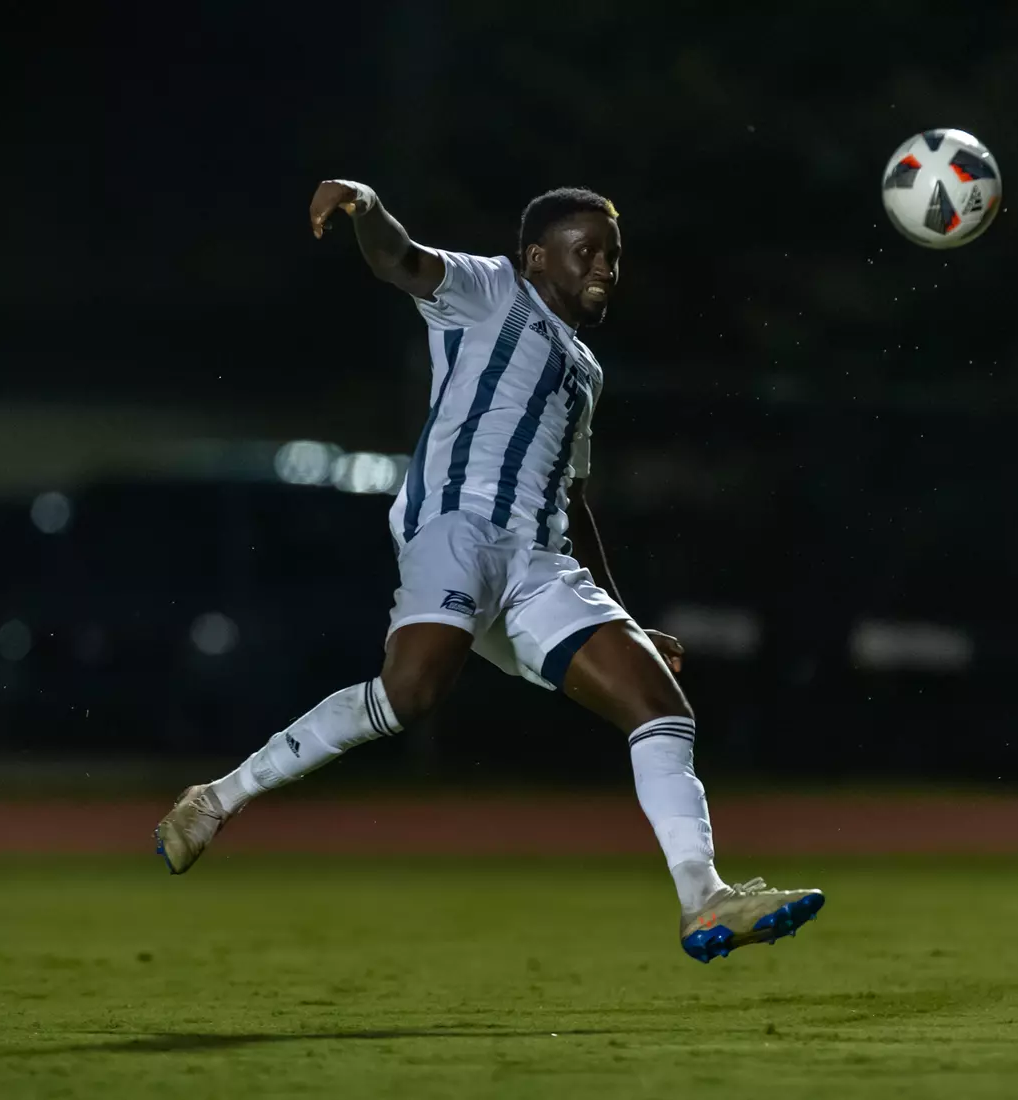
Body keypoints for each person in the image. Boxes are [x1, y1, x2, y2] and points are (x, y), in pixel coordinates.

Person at [155, 178, 824, 963]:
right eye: (585, 251)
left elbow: (573, 500)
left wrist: (625, 615)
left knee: (660, 707)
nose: (602, 266)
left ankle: (702, 898)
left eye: (611, 254)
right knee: (410, 695)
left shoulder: (586, 369)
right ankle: (215, 800)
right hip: (457, 527)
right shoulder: (491, 290)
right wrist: (366, 208)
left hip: (541, 564)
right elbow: (401, 261)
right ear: (538, 257)